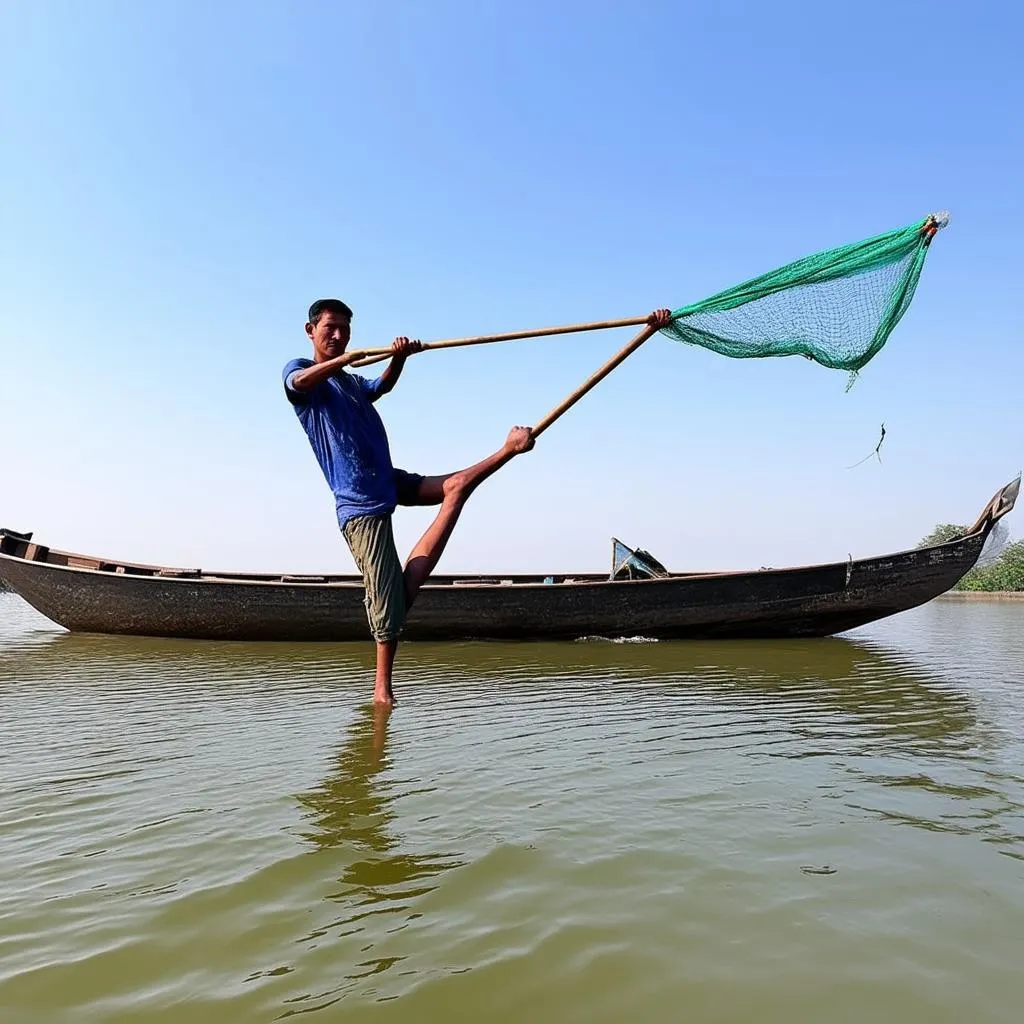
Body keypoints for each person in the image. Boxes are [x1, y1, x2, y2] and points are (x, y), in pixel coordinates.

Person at [283, 298, 536, 706]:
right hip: (361, 503)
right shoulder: (299, 372)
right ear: (310, 330)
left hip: (387, 480)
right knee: (392, 601)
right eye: (330, 327)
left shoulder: (350, 383)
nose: (338, 334)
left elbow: (380, 385)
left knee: (452, 485)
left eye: (345, 328)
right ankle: (382, 690)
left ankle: (488, 465)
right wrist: (346, 359)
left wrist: (399, 358)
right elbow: (301, 383)